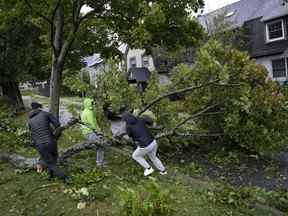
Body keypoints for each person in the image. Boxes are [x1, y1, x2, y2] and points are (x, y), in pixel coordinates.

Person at [28, 102, 67, 182]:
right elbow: (57, 124)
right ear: (39, 108)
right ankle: (65, 177)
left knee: (50, 161)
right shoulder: (45, 114)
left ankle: (51, 176)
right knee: (52, 161)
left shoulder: (30, 121)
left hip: (40, 145)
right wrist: (56, 136)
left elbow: (33, 134)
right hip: (51, 141)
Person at [121, 111, 167, 176]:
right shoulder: (139, 118)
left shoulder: (128, 126)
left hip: (145, 145)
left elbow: (129, 136)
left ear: (125, 119)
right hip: (153, 142)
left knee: (135, 156)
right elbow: (152, 123)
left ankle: (148, 168)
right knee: (153, 157)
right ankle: (163, 171)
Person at [80, 98, 106, 167]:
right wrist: (99, 132)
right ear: (89, 104)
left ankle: (99, 161)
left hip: (87, 132)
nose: (94, 104)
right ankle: (99, 163)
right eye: (92, 103)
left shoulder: (85, 111)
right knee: (101, 146)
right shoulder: (89, 113)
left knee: (98, 146)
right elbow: (93, 125)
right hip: (90, 132)